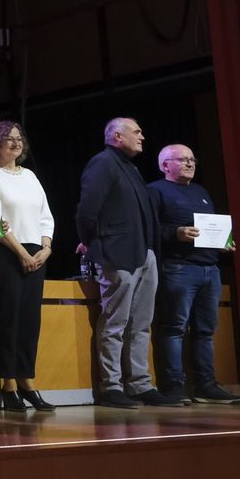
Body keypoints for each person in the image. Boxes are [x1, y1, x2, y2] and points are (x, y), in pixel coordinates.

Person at [76, 118, 182, 409]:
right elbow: (87, 209)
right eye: (137, 131)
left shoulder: (130, 167)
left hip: (144, 254)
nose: (143, 136)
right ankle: (111, 385)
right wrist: (94, 242)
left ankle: (139, 384)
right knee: (115, 321)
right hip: (118, 253)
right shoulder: (103, 163)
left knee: (141, 323)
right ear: (118, 136)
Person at [147, 144, 240, 404]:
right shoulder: (156, 191)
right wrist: (175, 233)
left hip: (209, 269)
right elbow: (149, 229)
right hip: (178, 267)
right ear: (165, 165)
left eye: (192, 159)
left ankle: (205, 385)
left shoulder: (201, 191)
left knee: (205, 331)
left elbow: (209, 228)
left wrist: (223, 241)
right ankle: (174, 386)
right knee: (174, 328)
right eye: (183, 160)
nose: (190, 164)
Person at [0, 120, 57, 413]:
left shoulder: (31, 176)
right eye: (7, 139)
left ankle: (27, 381)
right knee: (8, 319)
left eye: (18, 138)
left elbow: (45, 216)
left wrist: (46, 248)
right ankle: (8, 384)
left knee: (29, 321)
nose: (15, 142)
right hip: (6, 253)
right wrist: (22, 253)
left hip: (37, 253)